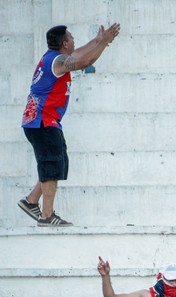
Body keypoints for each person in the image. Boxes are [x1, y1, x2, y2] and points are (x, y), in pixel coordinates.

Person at [19, 22, 120, 226]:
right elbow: (84, 61)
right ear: (65, 44)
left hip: (43, 121)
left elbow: (79, 55)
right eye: (72, 37)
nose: (74, 40)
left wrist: (98, 40)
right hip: (42, 121)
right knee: (51, 164)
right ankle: (47, 216)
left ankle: (31, 201)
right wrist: (103, 43)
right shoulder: (57, 62)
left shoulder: (54, 58)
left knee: (56, 163)